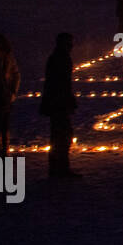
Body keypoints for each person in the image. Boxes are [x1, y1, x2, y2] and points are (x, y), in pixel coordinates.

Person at [40, 32, 81, 177]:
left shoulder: (58, 57)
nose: (72, 45)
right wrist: (68, 100)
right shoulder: (61, 58)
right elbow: (61, 83)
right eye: (69, 42)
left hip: (57, 101)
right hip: (59, 102)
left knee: (59, 134)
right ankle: (61, 168)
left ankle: (57, 167)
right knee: (62, 135)